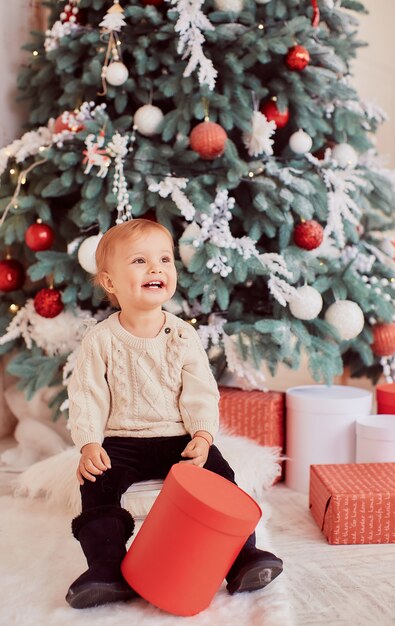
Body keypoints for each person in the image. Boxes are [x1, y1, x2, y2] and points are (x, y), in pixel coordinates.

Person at [66, 218, 283, 609]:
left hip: (178, 438)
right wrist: (89, 443)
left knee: (220, 478)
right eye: (139, 261)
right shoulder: (100, 340)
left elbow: (201, 391)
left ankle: (242, 557)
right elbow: (87, 395)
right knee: (95, 485)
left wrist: (202, 436)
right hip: (121, 440)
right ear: (110, 282)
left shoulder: (182, 335)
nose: (156, 269)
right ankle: (107, 567)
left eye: (165, 260)